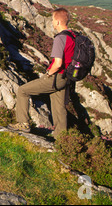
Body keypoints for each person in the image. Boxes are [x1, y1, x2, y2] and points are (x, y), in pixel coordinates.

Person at [10, 8, 75, 138]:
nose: (51, 22)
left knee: (23, 91)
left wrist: (49, 74)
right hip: (66, 77)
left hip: (56, 76)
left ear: (57, 22)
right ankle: (61, 137)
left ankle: (23, 123)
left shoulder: (60, 38)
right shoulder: (72, 36)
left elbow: (57, 63)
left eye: (52, 20)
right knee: (59, 107)